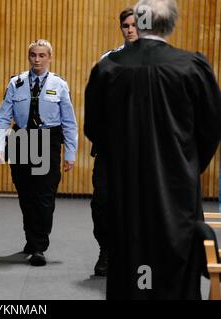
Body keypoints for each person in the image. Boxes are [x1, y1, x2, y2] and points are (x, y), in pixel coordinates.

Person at [84, 0, 221, 299]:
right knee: (174, 260)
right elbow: (212, 127)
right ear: (170, 25)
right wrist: (187, 163)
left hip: (125, 184)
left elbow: (93, 128)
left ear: (139, 23)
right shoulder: (191, 66)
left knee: (130, 259)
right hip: (177, 187)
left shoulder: (107, 68)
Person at [0, 39, 78, 267]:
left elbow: (69, 122)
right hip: (21, 139)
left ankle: (39, 245)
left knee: (44, 196)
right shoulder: (16, 83)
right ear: (29, 57)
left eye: (42, 55)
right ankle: (31, 239)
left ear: (49, 57)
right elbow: (3, 117)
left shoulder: (59, 85)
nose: (37, 60)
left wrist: (70, 153)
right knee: (26, 194)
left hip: (48, 141)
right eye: (33, 55)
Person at [91, 8, 139, 277]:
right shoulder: (108, 60)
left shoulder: (156, 62)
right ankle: (106, 251)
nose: (130, 29)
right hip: (110, 148)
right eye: (125, 25)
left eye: (134, 25)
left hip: (142, 149)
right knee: (102, 202)